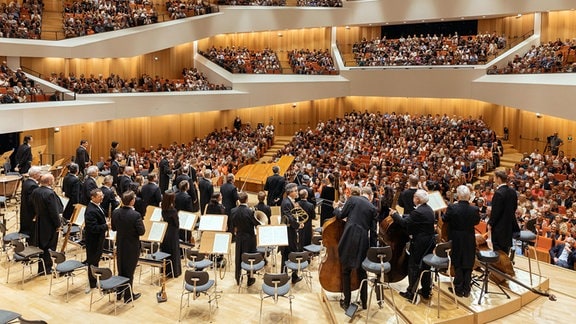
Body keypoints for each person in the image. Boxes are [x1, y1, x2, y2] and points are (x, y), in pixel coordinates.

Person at [334, 186, 378, 311]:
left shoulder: (353, 199)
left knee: (346, 271)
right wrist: (372, 250)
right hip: (363, 240)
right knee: (362, 272)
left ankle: (347, 302)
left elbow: (341, 215)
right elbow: (374, 233)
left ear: (362, 193)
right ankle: (364, 303)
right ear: (370, 196)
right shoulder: (373, 208)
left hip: (348, 236)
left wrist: (335, 208)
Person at [390, 189, 436, 302]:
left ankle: (411, 292)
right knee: (425, 266)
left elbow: (405, 223)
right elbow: (412, 217)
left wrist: (395, 214)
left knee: (414, 266)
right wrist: (402, 215)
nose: (413, 198)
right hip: (429, 241)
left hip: (420, 242)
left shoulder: (418, 212)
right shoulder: (428, 209)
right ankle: (426, 290)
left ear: (417, 199)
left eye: (414, 196)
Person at [442, 185, 480, 297]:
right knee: (468, 262)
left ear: (458, 196)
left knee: (457, 261)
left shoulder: (452, 208)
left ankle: (458, 288)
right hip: (469, 237)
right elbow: (477, 222)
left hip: (456, 237)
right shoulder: (474, 209)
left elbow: (444, 219)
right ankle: (466, 288)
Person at [112, 191, 145, 303]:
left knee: (121, 269)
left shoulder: (115, 212)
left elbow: (113, 228)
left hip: (120, 244)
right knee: (129, 271)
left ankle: (119, 292)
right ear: (132, 201)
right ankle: (128, 295)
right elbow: (142, 231)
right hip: (132, 246)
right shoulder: (135, 215)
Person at [487, 170, 519, 280]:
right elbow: (514, 208)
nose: (494, 180)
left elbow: (496, 212)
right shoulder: (513, 192)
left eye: (495, 178)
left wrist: (490, 223)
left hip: (499, 226)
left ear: (499, 179)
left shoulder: (499, 193)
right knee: (505, 248)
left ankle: (499, 275)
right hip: (509, 225)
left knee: (498, 250)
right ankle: (505, 272)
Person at [31, 174, 63, 274]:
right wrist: (58, 225)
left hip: (40, 222)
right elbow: (53, 212)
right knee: (50, 245)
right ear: (49, 182)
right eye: (53, 180)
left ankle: (42, 268)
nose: (54, 181)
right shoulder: (50, 194)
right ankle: (47, 268)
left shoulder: (36, 191)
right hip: (50, 224)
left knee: (42, 245)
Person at [231, 192, 260, 286]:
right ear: (247, 199)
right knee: (249, 258)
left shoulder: (233, 211)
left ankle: (238, 277)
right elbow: (256, 223)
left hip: (239, 237)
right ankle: (249, 278)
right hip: (249, 238)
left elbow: (233, 225)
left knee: (238, 257)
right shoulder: (250, 211)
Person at [84, 188, 109, 291]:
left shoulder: (97, 206)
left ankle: (96, 278)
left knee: (96, 260)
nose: (102, 198)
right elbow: (93, 228)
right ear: (93, 197)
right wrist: (106, 225)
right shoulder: (91, 210)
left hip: (98, 238)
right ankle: (92, 283)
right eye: (99, 197)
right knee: (92, 261)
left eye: (102, 196)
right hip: (93, 240)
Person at [280, 183, 303, 284]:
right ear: (291, 192)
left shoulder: (290, 201)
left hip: (290, 232)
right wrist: (298, 225)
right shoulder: (286, 202)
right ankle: (290, 276)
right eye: (296, 190)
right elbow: (289, 218)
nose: (297, 192)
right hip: (288, 233)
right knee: (290, 253)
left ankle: (288, 275)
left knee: (288, 254)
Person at [160, 191, 182, 278]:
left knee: (166, 250)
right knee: (174, 251)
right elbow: (177, 223)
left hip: (165, 231)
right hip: (173, 232)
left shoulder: (163, 208)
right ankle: (175, 272)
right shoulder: (173, 210)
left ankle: (166, 270)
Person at [19, 166, 41, 238]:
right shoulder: (33, 186)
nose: (40, 175)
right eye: (39, 173)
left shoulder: (26, 182)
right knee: (31, 231)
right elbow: (32, 201)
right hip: (30, 212)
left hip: (25, 209)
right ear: (35, 175)